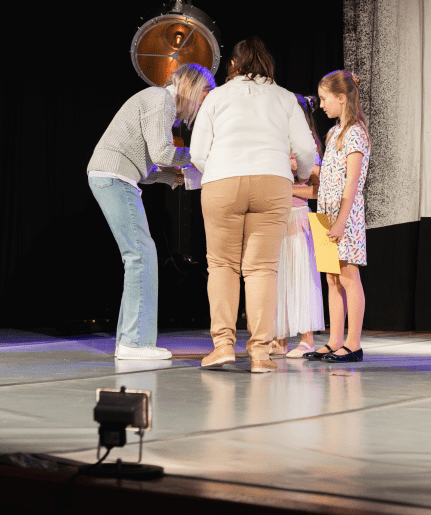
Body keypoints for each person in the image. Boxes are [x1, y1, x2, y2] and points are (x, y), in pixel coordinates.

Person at [190, 37, 316, 373]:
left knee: (222, 266)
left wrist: (218, 171)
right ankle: (260, 353)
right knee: (262, 269)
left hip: (223, 182)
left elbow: (198, 152)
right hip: (272, 181)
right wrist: (302, 175)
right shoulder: (284, 97)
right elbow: (305, 150)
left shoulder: (216, 97)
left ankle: (222, 346)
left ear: (233, 64)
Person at [87, 63, 216, 360]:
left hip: (113, 175)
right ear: (195, 87)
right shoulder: (162, 100)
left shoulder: (157, 100)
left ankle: (128, 341)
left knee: (138, 256)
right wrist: (202, 156)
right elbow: (163, 153)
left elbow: (145, 167)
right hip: (114, 177)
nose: (202, 106)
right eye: (204, 97)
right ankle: (135, 343)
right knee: (141, 256)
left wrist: (173, 177)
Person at [303, 70, 370, 364]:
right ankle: (335, 341)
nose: (321, 105)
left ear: (341, 98)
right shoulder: (333, 133)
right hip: (326, 213)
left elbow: (352, 182)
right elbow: (330, 175)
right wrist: (308, 168)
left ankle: (353, 344)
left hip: (346, 215)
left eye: (324, 99)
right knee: (332, 278)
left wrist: (342, 220)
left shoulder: (355, 133)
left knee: (348, 276)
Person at [269, 95, 325, 358]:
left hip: (298, 215)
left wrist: (288, 187)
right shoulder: (275, 141)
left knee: (302, 276)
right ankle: (279, 338)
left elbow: (319, 190)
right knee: (278, 277)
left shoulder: (310, 147)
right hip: (276, 215)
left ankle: (306, 338)